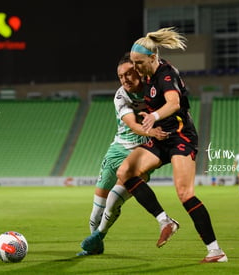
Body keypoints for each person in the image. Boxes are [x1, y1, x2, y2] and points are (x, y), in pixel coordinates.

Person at [84, 27, 227, 263]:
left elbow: (173, 102)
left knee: (185, 193)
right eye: (133, 63)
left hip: (181, 136)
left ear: (153, 58)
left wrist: (154, 117)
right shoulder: (145, 77)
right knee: (126, 171)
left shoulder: (165, 74)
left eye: (139, 63)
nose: (136, 68)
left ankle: (215, 250)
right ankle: (165, 221)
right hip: (159, 137)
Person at [78, 53, 169, 256]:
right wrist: (150, 131)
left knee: (113, 199)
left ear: (139, 71)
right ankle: (96, 246)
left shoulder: (154, 90)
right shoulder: (121, 96)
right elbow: (133, 125)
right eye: (121, 76)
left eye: (129, 73)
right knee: (96, 211)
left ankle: (100, 235)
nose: (125, 79)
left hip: (142, 154)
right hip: (117, 151)